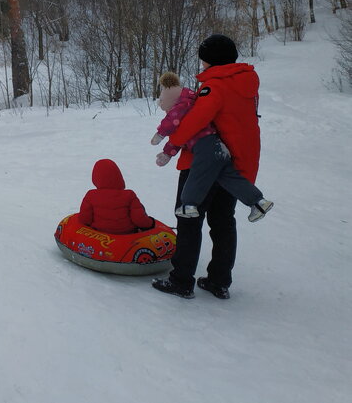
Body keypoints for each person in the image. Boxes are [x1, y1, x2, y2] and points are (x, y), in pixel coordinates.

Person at [153, 35, 272, 300]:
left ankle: (181, 280)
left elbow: (196, 120)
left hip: (202, 164)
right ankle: (219, 281)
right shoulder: (247, 84)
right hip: (236, 165)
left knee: (188, 218)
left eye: (203, 57)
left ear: (210, 59)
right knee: (222, 222)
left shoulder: (214, 86)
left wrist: (171, 145)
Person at [152, 70, 271, 219]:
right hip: (219, 147)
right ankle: (258, 202)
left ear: (172, 101)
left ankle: (188, 205)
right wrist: (167, 153)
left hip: (205, 148)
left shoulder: (179, 111)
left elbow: (172, 126)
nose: (160, 104)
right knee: (229, 178)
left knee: (197, 175)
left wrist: (160, 135)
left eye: (162, 101)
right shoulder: (192, 105)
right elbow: (179, 137)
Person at [78, 158, 156, 234]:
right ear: (119, 176)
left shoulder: (91, 195)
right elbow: (139, 219)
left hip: (100, 236)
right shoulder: (129, 195)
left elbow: (85, 220)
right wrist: (151, 223)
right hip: (126, 235)